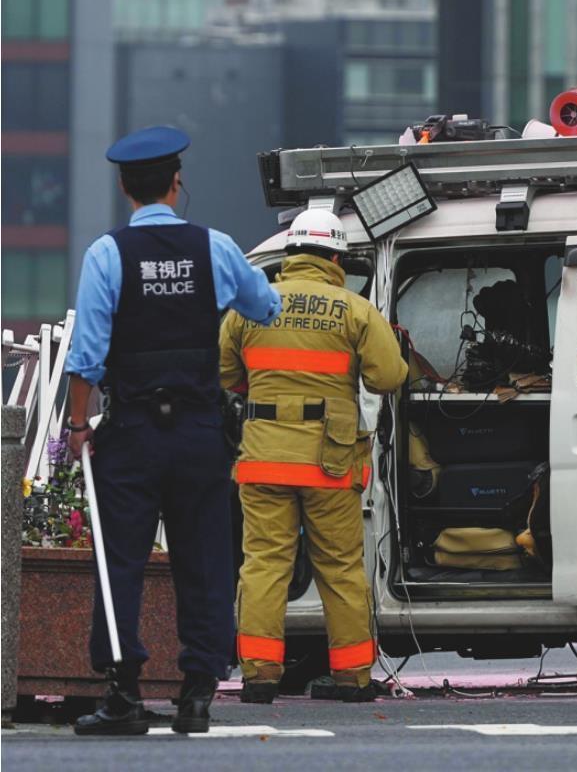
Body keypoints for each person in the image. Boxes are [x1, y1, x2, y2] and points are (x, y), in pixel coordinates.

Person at [66, 126, 281, 736]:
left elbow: (85, 358)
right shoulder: (214, 247)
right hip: (197, 432)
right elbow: (264, 307)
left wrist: (80, 426)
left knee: (121, 563)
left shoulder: (106, 255)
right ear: (176, 182)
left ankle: (122, 693)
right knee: (205, 560)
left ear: (123, 187)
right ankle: (197, 694)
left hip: (130, 433)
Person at [219, 209, 407, 704]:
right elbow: (387, 378)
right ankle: (353, 678)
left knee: (263, 565)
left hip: (263, 458)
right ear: (335, 257)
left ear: (291, 252)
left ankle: (259, 675)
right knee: (341, 567)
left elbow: (223, 375)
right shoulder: (355, 310)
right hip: (329, 458)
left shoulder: (248, 307)